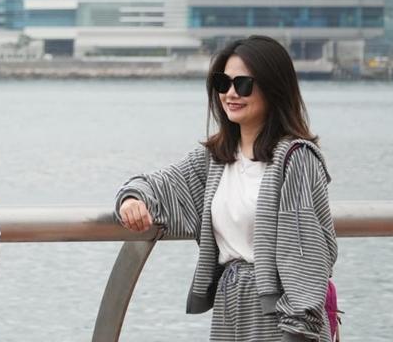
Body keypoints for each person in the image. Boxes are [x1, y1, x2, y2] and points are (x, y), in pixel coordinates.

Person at [115, 35, 337, 342]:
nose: (231, 93)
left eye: (243, 84)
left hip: (280, 317)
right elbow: (158, 186)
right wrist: (132, 199)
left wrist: (298, 330)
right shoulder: (216, 158)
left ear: (273, 88)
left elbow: (305, 255)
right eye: (223, 83)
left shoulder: (295, 159)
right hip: (230, 305)